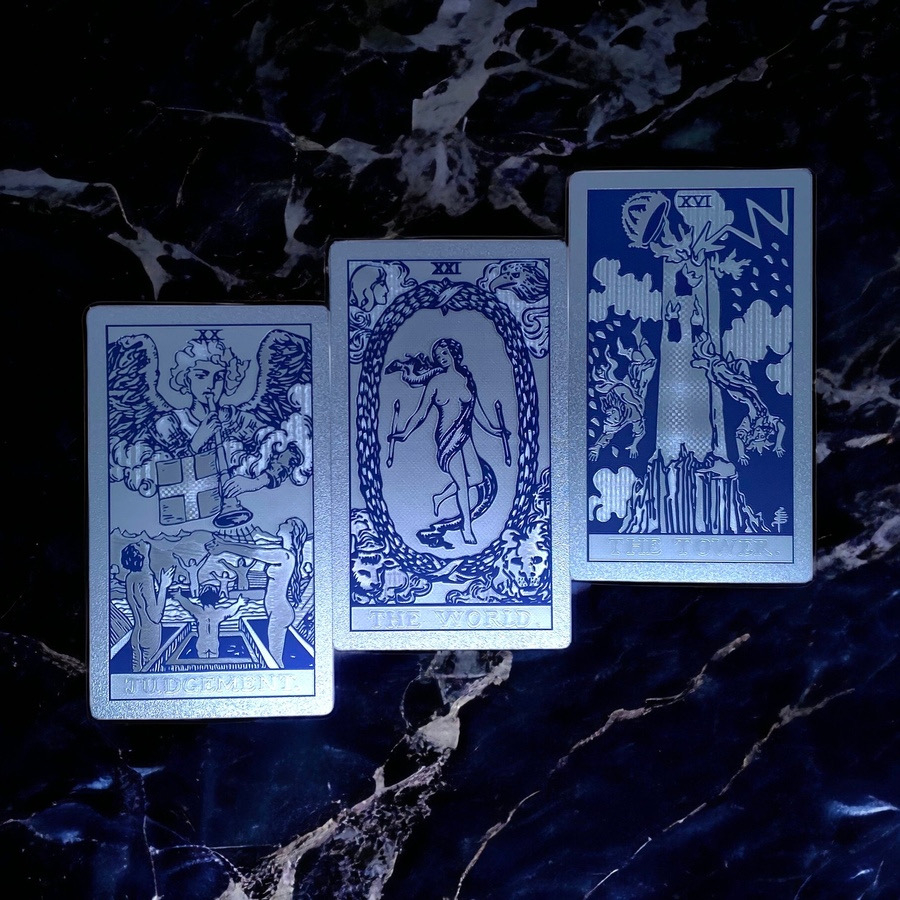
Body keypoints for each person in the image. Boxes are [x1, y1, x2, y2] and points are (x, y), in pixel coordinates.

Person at [390, 338, 506, 545]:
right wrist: (405, 433)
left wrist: (495, 430)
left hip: (465, 434)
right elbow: (421, 413)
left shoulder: (467, 379)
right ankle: (467, 529)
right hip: (446, 437)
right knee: (462, 484)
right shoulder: (435, 382)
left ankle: (441, 497)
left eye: (444, 353)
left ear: (454, 353)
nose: (441, 358)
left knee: (477, 477)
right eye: (437, 356)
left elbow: (477, 412)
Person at [206, 518, 310, 667]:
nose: (281, 523)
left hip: (280, 613)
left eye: (286, 523)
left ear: (292, 530)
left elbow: (254, 552)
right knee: (274, 657)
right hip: (278, 612)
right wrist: (226, 544)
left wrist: (225, 546)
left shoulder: (284, 556)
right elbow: (253, 548)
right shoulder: (282, 553)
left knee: (275, 659)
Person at [120, 541, 174, 672]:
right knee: (150, 670)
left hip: (137, 633)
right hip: (149, 635)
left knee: (136, 670)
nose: (142, 542)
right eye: (138, 545)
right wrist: (164, 586)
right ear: (141, 555)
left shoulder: (130, 577)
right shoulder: (146, 578)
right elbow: (155, 616)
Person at [174, 584, 246, 659]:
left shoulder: (198, 612)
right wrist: (239, 603)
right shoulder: (218, 613)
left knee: (202, 661)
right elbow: (230, 611)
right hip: (213, 644)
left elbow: (187, 605)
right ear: (216, 599)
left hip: (202, 644)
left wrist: (179, 597)